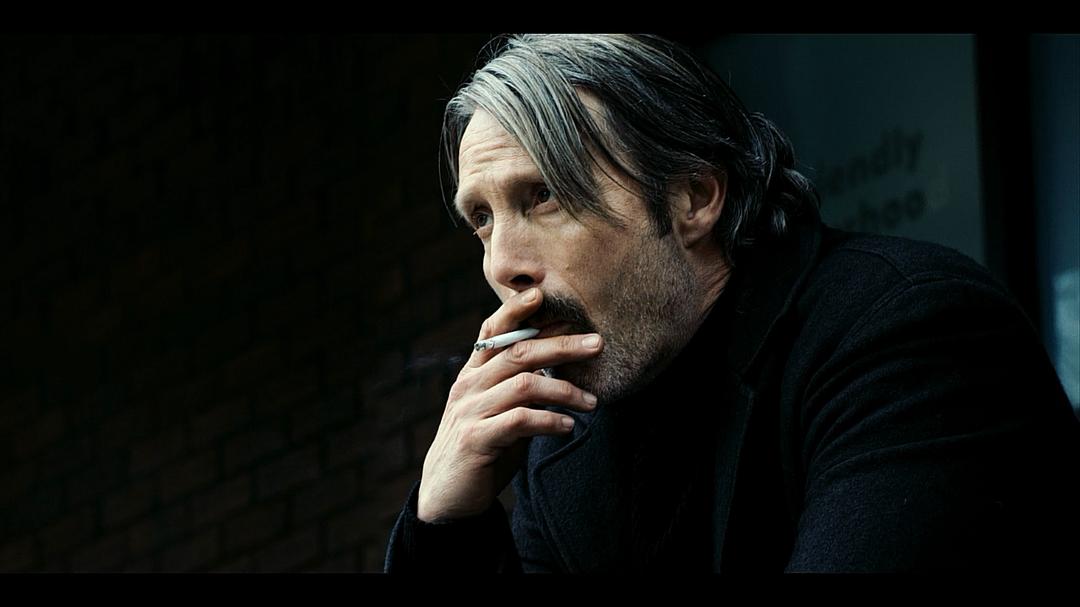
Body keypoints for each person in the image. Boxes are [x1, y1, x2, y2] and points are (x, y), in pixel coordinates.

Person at [383, 34, 1080, 573]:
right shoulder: (564, 445)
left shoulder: (904, 331)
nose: (502, 264)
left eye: (543, 195)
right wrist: (445, 525)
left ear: (694, 197)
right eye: (482, 219)